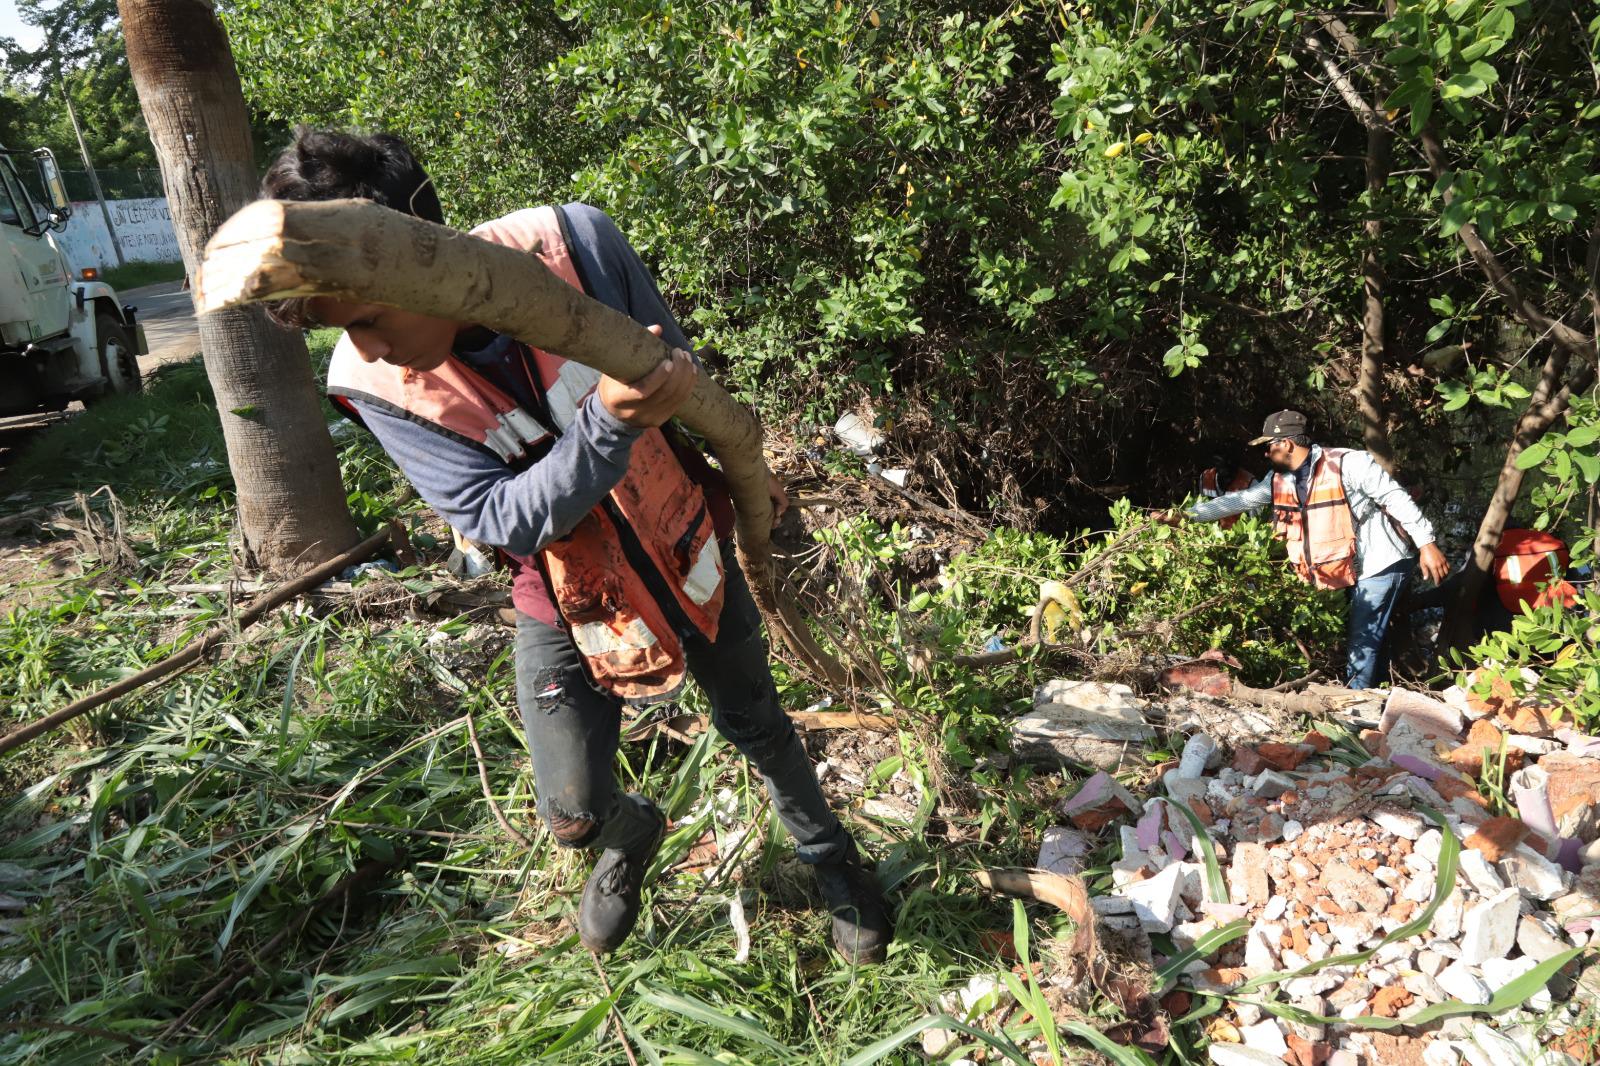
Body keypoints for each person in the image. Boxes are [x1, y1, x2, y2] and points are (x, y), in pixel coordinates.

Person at [258, 128, 893, 963]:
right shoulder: (369, 382)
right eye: (344, 330)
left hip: (679, 537)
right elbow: (500, 518)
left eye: (370, 318)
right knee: (572, 806)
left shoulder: (573, 244)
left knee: (757, 723)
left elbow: (678, 370)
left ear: (425, 257)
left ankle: (831, 861)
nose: (367, 347)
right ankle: (631, 835)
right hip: (567, 588)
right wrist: (608, 424)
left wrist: (735, 464)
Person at [1164, 409, 1450, 689]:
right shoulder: (1280, 478)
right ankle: (1381, 696)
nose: (1265, 454)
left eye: (1269, 447)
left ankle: (1354, 707)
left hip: (1383, 561)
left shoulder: (1349, 464)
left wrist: (1427, 543)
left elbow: (1396, 498)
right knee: (1371, 634)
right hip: (1347, 566)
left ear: (1286, 444)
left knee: (1362, 637)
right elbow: (1241, 501)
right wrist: (1187, 516)